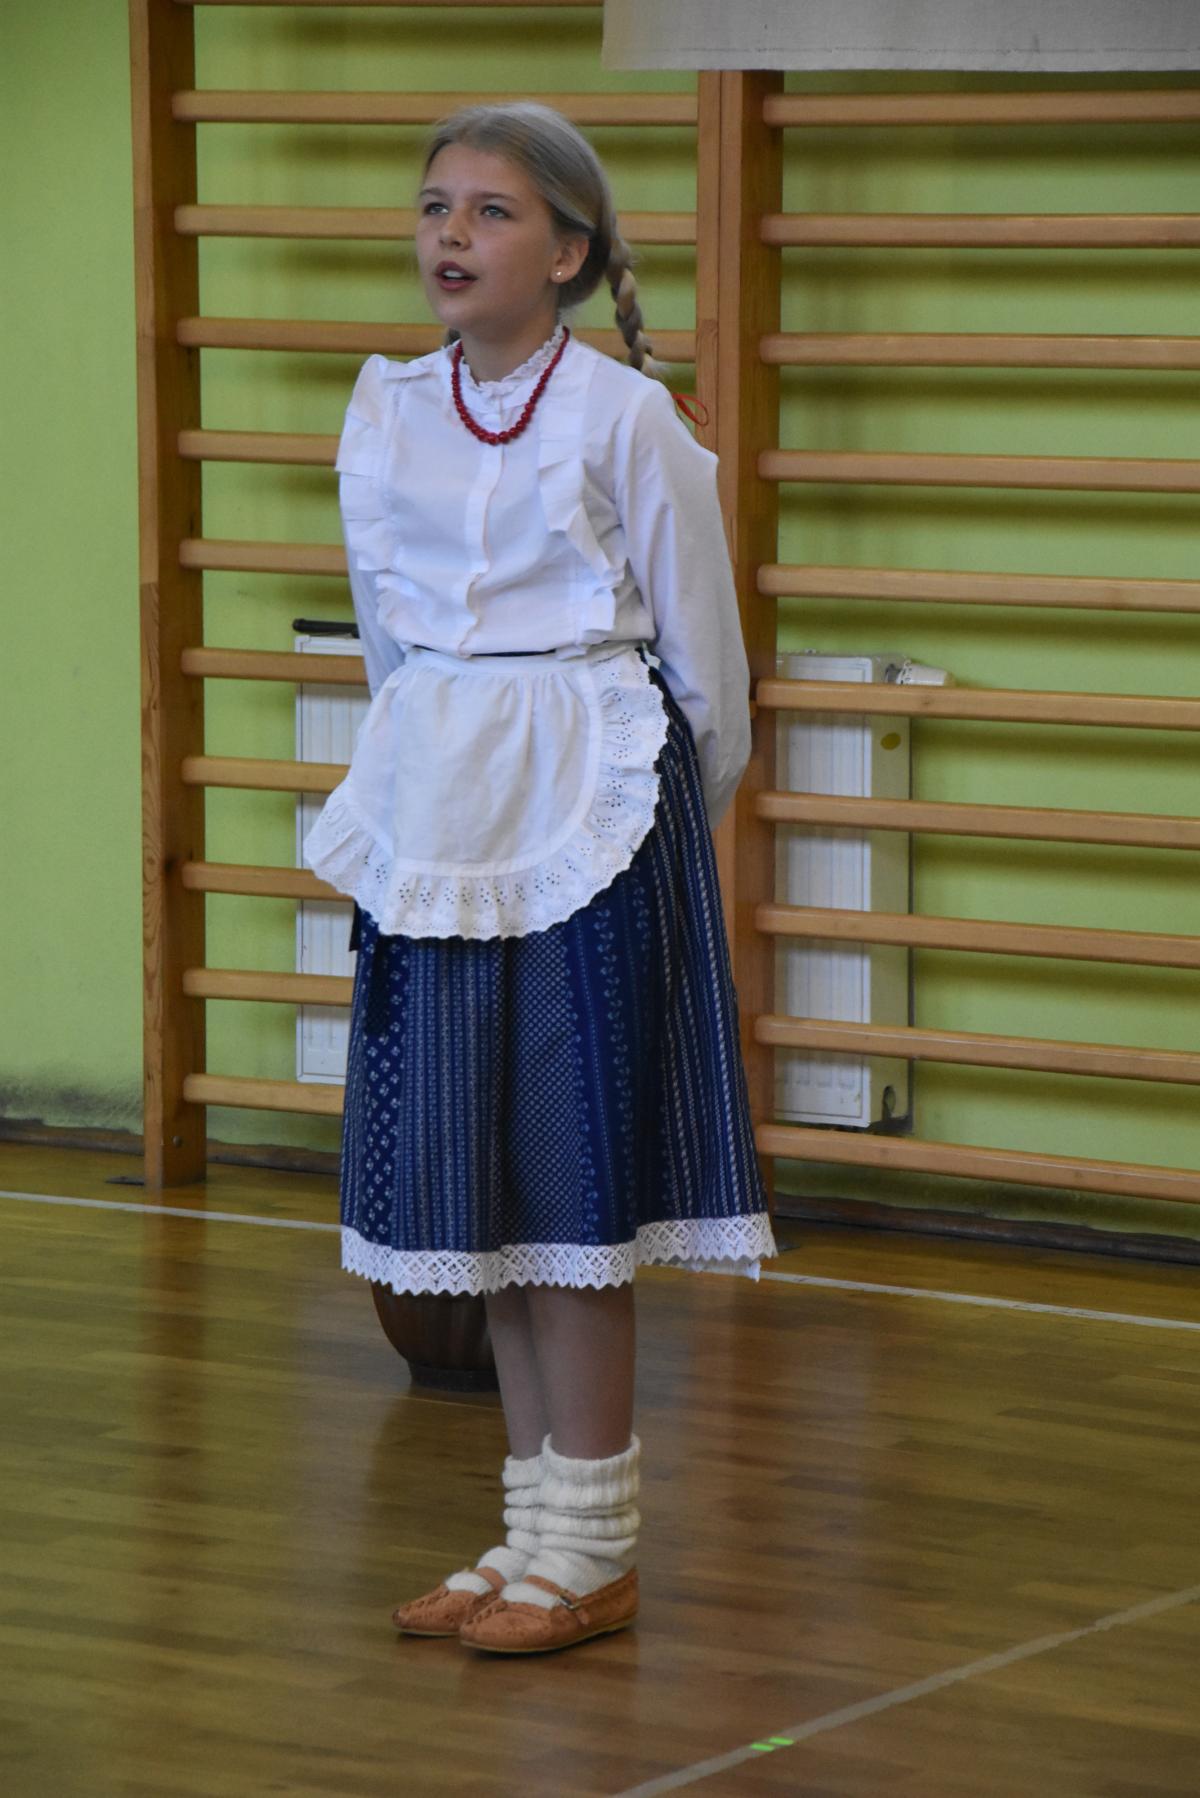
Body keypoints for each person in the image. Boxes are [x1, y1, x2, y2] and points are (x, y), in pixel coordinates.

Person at [303, 101, 775, 1657]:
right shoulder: (386, 409)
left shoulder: (628, 420)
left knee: (569, 1191)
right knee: (483, 1196)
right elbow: (388, 635)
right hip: (443, 825)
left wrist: (643, 835)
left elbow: (707, 669)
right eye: (434, 204)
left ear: (570, 251)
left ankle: (595, 1544)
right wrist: (427, 783)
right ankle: (530, 1535)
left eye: (492, 211)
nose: (451, 233)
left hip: (590, 825)